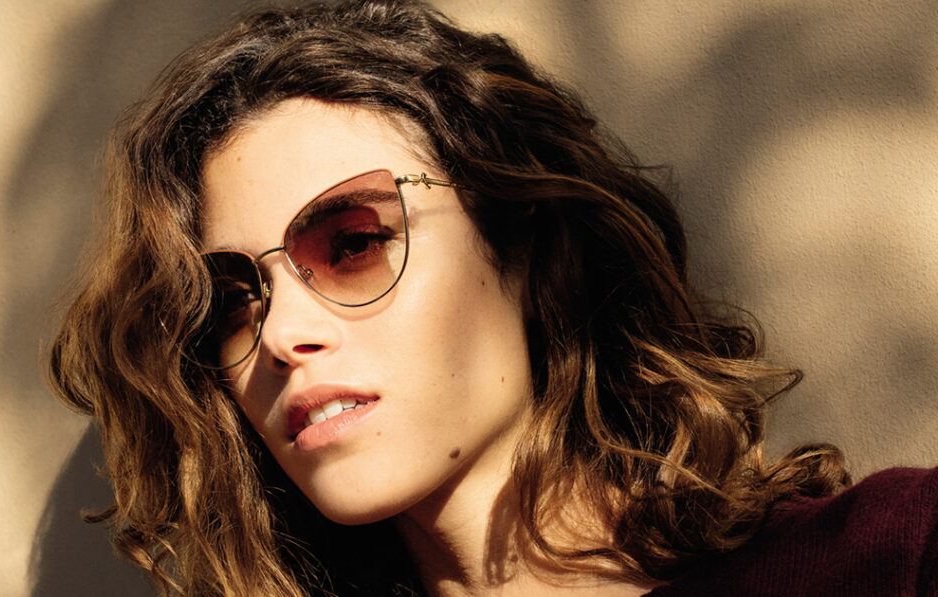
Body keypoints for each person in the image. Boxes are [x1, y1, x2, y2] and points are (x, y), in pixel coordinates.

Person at [48, 1, 938, 595]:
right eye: (232, 299)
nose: (279, 333)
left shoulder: (892, 557)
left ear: (527, 246)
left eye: (353, 243)